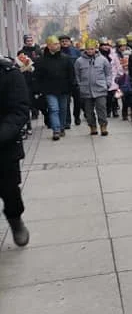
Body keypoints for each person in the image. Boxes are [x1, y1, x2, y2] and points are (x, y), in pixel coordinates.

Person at [0, 55, 30, 247]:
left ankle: (15, 220)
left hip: (4, 147)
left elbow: (19, 110)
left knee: (9, 191)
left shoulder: (9, 73)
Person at [33, 36, 74, 141]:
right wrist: (38, 89)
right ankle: (56, 130)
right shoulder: (42, 60)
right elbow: (38, 76)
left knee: (63, 109)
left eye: (58, 44)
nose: (57, 46)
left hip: (64, 89)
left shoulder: (66, 59)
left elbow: (71, 74)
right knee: (53, 109)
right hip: (49, 90)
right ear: (49, 46)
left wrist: (72, 87)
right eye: (55, 44)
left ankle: (62, 127)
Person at [75, 38, 112, 136]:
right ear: (85, 49)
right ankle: (92, 126)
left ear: (96, 48)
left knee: (102, 109)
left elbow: (108, 73)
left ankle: (103, 126)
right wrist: (80, 85)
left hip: (100, 88)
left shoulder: (103, 60)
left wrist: (107, 83)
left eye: (92, 49)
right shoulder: (79, 61)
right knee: (88, 111)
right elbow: (77, 75)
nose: (90, 51)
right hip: (86, 90)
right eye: (88, 49)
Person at [58, 34, 82, 128]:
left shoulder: (76, 51)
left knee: (78, 101)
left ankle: (77, 116)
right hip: (64, 81)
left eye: (66, 41)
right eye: (62, 41)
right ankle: (67, 121)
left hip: (76, 80)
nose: (64, 43)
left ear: (70, 42)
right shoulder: (58, 52)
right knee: (65, 102)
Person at [17, 35, 41, 126]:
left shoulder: (38, 50)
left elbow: (41, 61)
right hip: (27, 77)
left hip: (37, 77)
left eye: (31, 40)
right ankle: (34, 111)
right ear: (25, 42)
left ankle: (40, 110)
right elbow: (20, 65)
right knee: (29, 95)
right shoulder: (21, 52)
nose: (29, 42)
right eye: (27, 40)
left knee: (38, 96)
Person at [98, 38, 121, 118]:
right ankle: (108, 110)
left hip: (113, 77)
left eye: (107, 45)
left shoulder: (114, 55)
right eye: (104, 45)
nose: (106, 47)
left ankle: (115, 110)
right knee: (106, 96)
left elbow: (118, 66)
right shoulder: (98, 55)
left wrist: (120, 75)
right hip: (102, 78)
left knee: (114, 95)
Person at [116, 56, 132, 121]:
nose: (126, 67)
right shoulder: (120, 73)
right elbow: (117, 81)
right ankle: (124, 115)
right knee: (125, 103)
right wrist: (122, 76)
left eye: (127, 66)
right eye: (124, 66)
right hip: (123, 90)